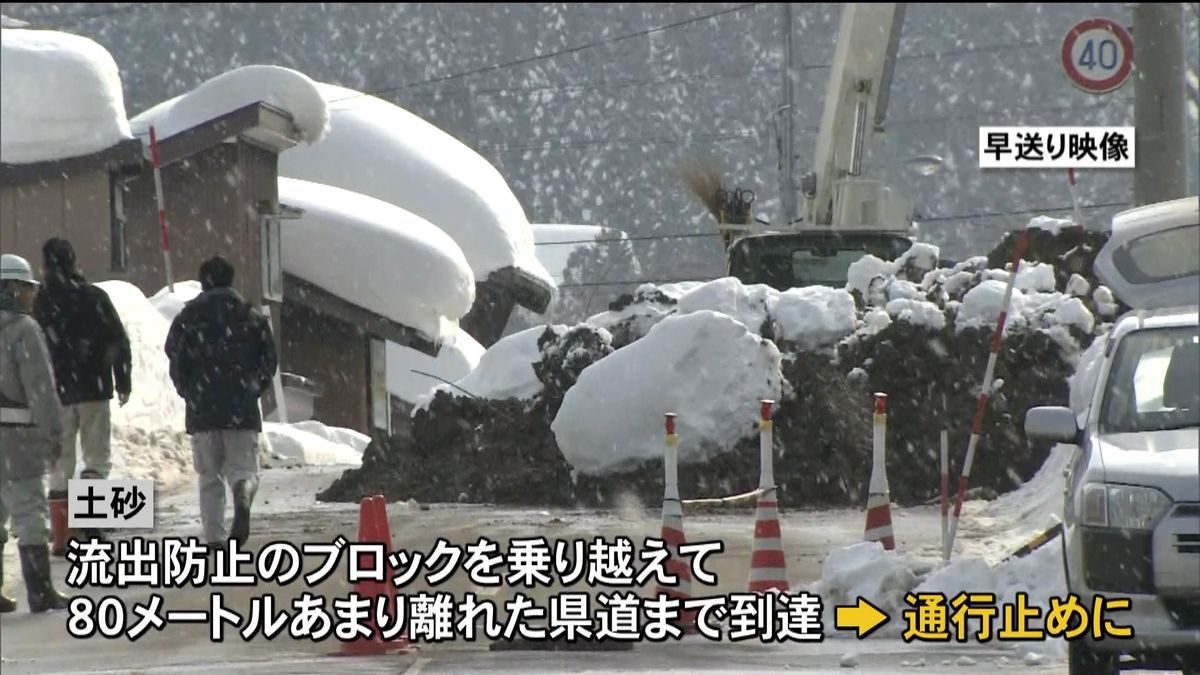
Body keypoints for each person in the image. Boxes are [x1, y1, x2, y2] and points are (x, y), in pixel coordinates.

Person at [165, 256, 277, 547]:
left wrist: (187, 389)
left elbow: (173, 354)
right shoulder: (249, 316)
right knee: (244, 470)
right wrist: (253, 388)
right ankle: (242, 491)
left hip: (202, 410)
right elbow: (269, 359)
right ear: (231, 279)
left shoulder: (188, 317)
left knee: (209, 478)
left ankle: (214, 536)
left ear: (203, 281)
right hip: (241, 407)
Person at [33, 238, 132, 556]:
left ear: (46, 266)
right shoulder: (94, 297)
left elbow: (35, 351)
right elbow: (118, 339)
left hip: (56, 392)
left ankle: (61, 536)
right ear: (74, 263)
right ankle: (91, 521)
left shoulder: (41, 303)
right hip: (93, 388)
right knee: (96, 458)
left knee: (61, 460)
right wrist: (123, 380)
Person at [0, 253, 70, 613]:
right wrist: (54, 432)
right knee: (29, 511)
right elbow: (40, 387)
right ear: (11, 289)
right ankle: (40, 590)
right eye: (26, 288)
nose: (30, 295)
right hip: (18, 437)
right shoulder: (24, 330)